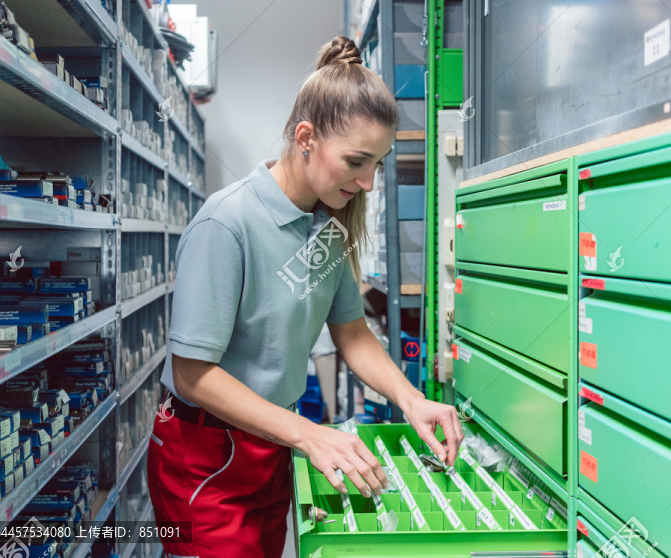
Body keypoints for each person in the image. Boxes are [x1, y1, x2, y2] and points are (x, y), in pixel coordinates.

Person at [146, 35, 462, 558]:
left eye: (378, 165)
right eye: (357, 161)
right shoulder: (227, 224)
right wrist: (309, 434)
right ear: (306, 137)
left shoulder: (328, 225)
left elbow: (353, 333)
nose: (367, 184)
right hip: (206, 454)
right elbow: (191, 374)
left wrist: (411, 399)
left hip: (273, 442)